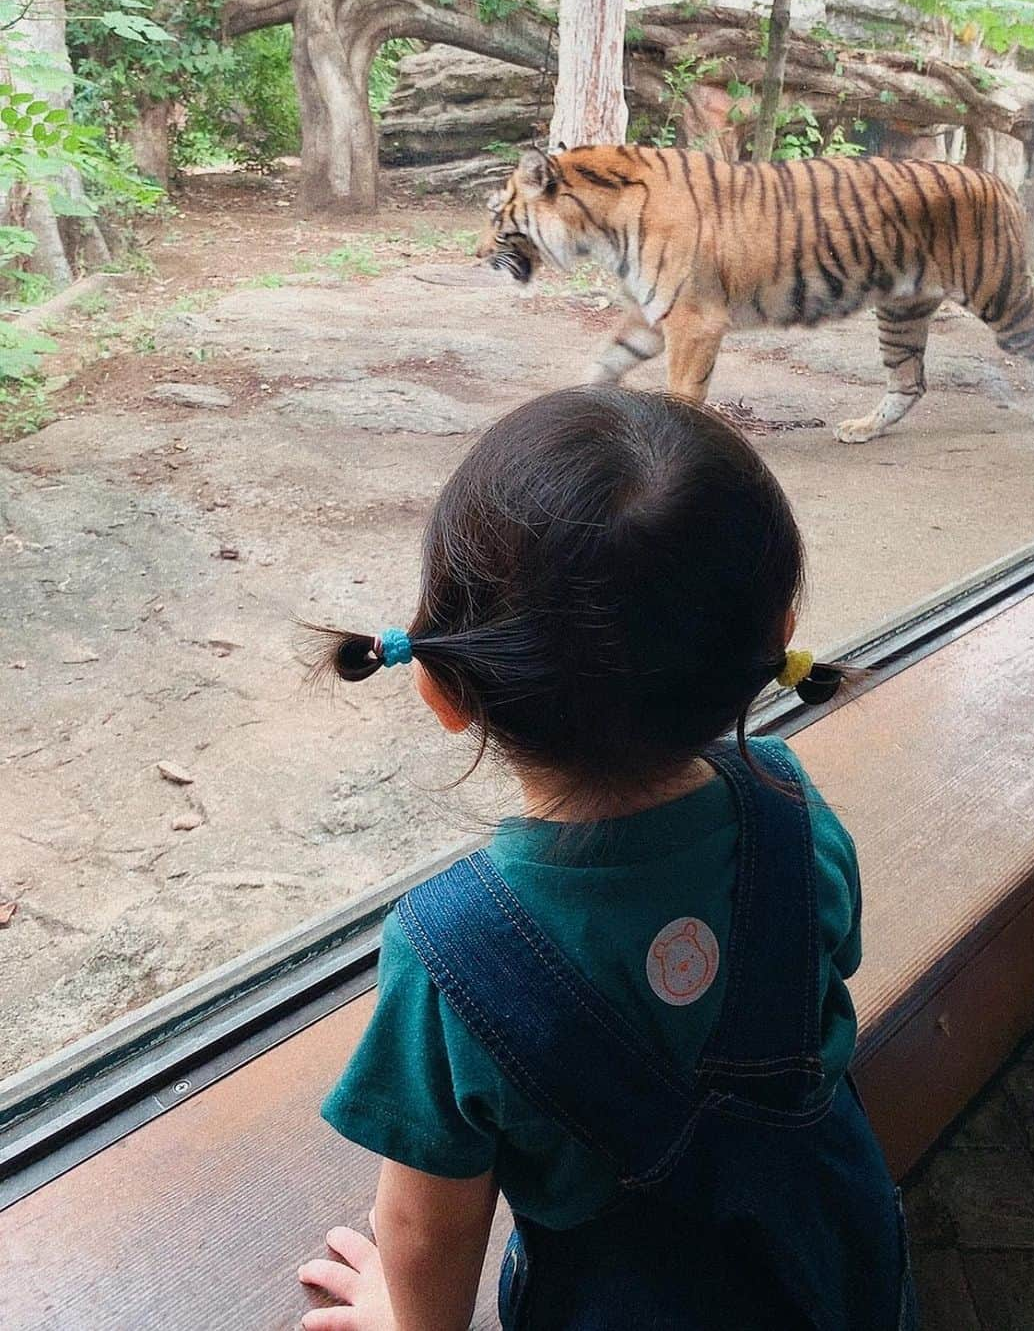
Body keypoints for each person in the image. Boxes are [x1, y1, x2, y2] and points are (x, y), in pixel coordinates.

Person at [297, 388, 917, 1331]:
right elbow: (825, 973)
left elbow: (428, 1230)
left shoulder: (452, 958)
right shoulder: (793, 807)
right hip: (827, 1264)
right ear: (777, 638)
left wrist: (403, 1318)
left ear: (440, 689)